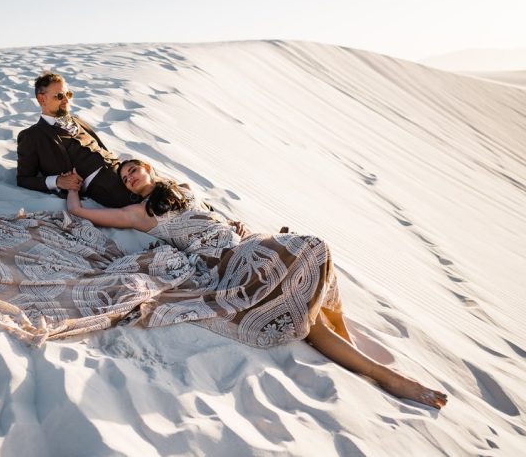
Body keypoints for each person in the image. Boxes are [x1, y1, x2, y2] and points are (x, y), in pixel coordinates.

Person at [61, 159, 448, 409]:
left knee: (312, 257)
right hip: (222, 264)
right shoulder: (137, 212)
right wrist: (72, 186)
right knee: (305, 304)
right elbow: (79, 212)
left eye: (133, 170)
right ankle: (386, 377)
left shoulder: (182, 189)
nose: (130, 178)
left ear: (148, 169)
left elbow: (210, 216)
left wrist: (233, 225)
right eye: (126, 179)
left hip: (244, 244)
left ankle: (350, 344)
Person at [15, 72, 135, 208]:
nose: (66, 100)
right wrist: (58, 181)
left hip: (121, 168)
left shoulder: (77, 120)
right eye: (59, 96)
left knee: (156, 183)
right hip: (102, 184)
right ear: (42, 99)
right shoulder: (32, 135)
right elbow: (23, 179)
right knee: (149, 201)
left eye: (68, 94)